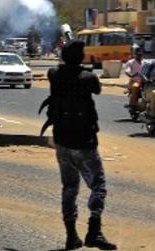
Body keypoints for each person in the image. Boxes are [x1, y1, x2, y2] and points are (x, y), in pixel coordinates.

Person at [41, 41, 116, 250]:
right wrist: (84, 68)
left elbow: (60, 72)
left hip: (62, 141)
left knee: (69, 188)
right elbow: (97, 89)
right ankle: (94, 231)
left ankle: (71, 236)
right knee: (98, 186)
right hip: (84, 142)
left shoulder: (54, 74)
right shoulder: (88, 77)